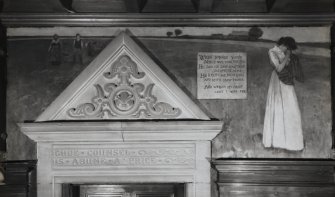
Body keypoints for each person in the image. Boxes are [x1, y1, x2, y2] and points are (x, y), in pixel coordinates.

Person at [262, 36, 304, 151]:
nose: (288, 50)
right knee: (279, 108)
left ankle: (292, 141)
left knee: (291, 107)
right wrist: (288, 57)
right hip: (278, 82)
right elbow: (279, 68)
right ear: (284, 45)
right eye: (288, 48)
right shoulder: (272, 52)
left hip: (287, 80)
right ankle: (278, 141)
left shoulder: (284, 53)